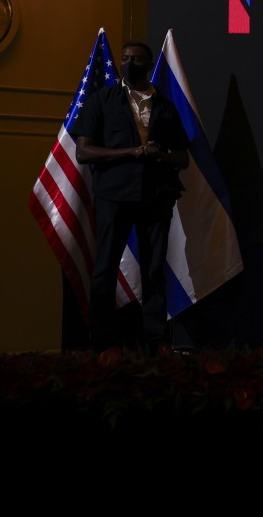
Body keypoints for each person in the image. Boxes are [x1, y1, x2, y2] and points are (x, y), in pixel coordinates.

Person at [71, 40, 190, 352]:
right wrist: (133, 151)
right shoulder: (102, 100)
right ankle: (100, 341)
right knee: (105, 268)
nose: (129, 63)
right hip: (114, 195)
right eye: (125, 58)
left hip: (156, 196)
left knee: (153, 270)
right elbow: (83, 152)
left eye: (136, 59)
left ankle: (156, 340)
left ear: (148, 65)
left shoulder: (164, 105)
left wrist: (158, 156)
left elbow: (182, 157)